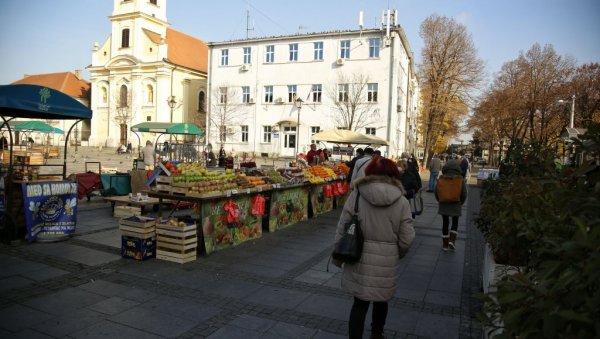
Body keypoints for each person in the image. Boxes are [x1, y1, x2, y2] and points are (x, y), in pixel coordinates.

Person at [333, 155, 415, 339]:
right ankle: (377, 334)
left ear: (369, 172)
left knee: (359, 304)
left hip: (358, 256)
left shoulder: (357, 194)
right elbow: (407, 237)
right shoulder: (401, 201)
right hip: (386, 260)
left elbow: (342, 226)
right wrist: (396, 253)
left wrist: (338, 255)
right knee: (381, 300)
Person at [434, 161, 468, 251]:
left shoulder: (441, 178)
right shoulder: (460, 178)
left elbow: (436, 192)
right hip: (456, 204)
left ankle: (445, 245)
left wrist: (440, 200)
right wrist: (461, 202)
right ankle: (452, 241)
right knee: (455, 222)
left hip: (444, 204)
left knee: (445, 223)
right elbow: (464, 194)